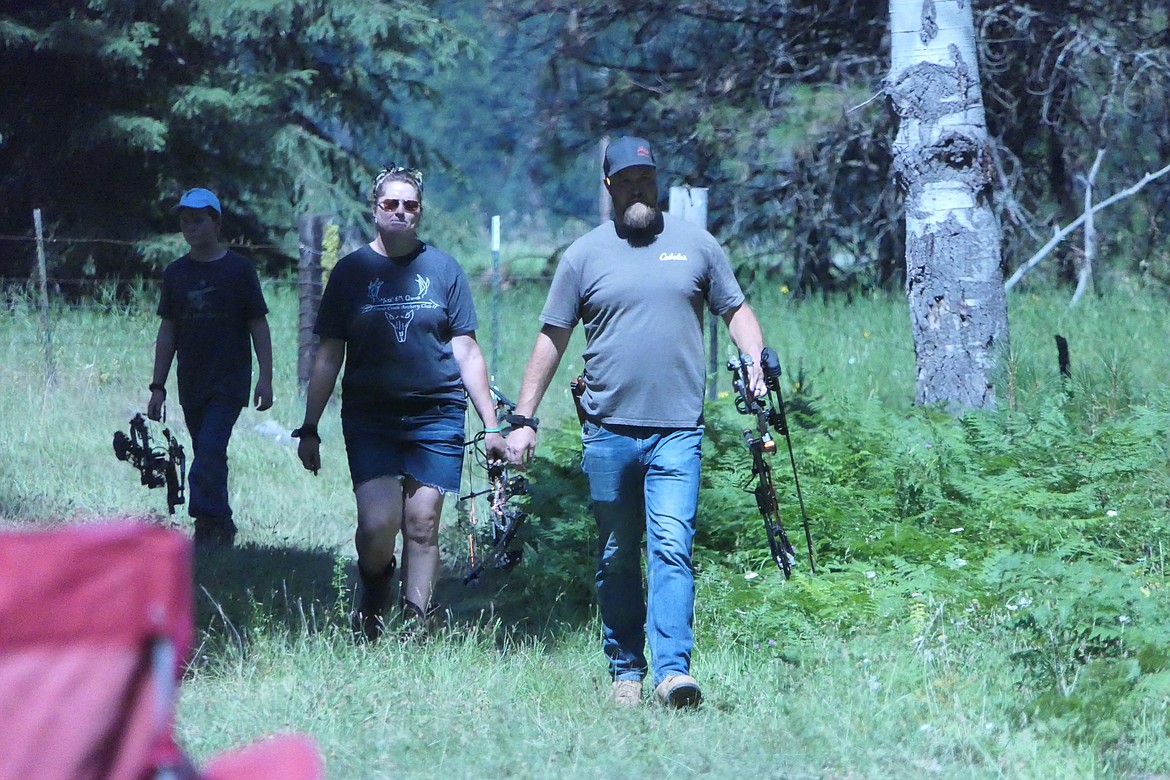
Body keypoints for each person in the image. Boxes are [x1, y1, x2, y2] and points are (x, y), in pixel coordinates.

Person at [504, 136, 767, 709]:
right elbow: (552, 338)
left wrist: (753, 361)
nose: (638, 188)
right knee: (616, 553)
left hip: (678, 431)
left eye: (645, 178)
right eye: (625, 180)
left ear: (657, 181)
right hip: (608, 432)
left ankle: (673, 672)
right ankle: (626, 668)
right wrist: (523, 418)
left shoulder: (697, 245)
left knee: (671, 546)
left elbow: (737, 309)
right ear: (609, 186)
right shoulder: (584, 256)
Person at [294, 165, 505, 641]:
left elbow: (466, 350)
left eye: (409, 205)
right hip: (372, 415)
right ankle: (374, 590)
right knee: (377, 523)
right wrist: (309, 426)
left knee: (423, 520)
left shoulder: (444, 270)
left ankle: (416, 623)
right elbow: (328, 355)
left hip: (437, 413)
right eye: (391, 204)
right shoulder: (351, 273)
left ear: (420, 212)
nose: (400, 212)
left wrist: (492, 425)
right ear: (375, 210)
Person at [148, 187, 274, 547]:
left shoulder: (239, 270)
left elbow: (258, 326)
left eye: (199, 220)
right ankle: (218, 522)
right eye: (185, 221)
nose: (192, 227)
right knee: (207, 452)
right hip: (192, 382)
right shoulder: (176, 274)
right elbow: (168, 330)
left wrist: (265, 379)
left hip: (229, 382)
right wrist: (158, 386)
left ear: (216, 222)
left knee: (210, 451)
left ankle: (209, 525)